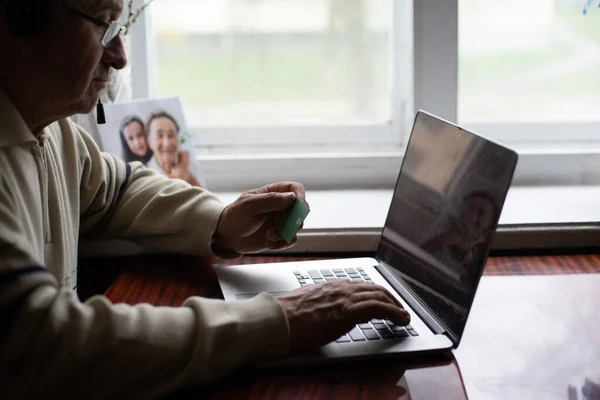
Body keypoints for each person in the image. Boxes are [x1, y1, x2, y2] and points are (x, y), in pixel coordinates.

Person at [0, 0, 410, 397]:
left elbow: (113, 190)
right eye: (103, 22)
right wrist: (277, 320)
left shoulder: (51, 131)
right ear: (20, 15)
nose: (119, 56)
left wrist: (221, 222)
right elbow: (44, 342)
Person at [422, 191, 499, 284]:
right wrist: (441, 240)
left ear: (491, 222)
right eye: (469, 209)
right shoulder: (444, 237)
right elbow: (418, 256)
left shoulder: (485, 255)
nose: (472, 217)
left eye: (481, 213)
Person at [145, 109, 201, 187]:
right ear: (149, 142)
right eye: (160, 136)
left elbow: (207, 197)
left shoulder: (190, 165)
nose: (167, 143)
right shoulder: (146, 177)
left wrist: (189, 178)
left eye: (171, 135)